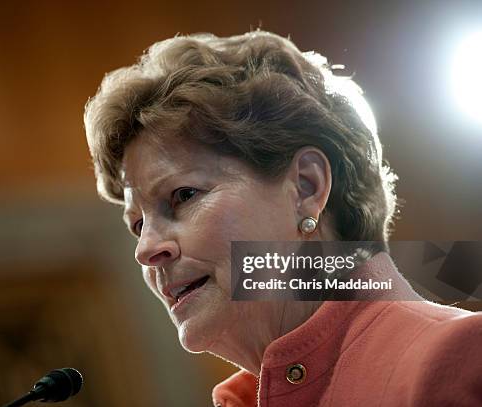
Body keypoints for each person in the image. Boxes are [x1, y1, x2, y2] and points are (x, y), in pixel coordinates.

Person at [83, 31, 482, 406]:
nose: (146, 249)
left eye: (183, 196)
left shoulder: (456, 361)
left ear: (306, 188)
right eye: (137, 225)